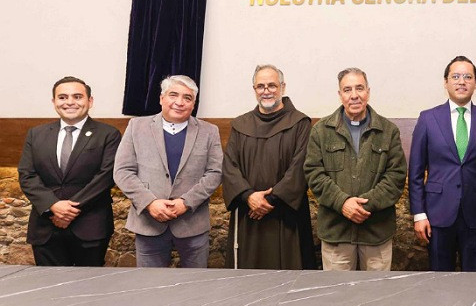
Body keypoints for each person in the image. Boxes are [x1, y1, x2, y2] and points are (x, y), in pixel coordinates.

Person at [408, 56, 476, 272]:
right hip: (437, 216)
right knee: (440, 282)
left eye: (467, 77)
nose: (461, 82)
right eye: (456, 76)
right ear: (446, 82)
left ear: (475, 83)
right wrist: (419, 214)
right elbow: (415, 172)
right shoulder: (428, 118)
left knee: (474, 282)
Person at [114, 75, 222, 268]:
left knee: (195, 287)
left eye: (187, 98)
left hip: (192, 224)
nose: (179, 102)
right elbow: (123, 171)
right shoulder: (136, 127)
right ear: (161, 98)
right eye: (173, 95)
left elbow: (215, 173)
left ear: (193, 103)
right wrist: (150, 203)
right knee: (151, 288)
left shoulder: (209, 131)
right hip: (149, 222)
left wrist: (186, 203)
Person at [304, 67, 406, 271]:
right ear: (340, 94)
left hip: (376, 233)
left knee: (377, 296)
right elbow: (314, 174)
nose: (354, 95)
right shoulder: (321, 131)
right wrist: (343, 203)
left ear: (368, 91)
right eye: (347, 89)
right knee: (337, 297)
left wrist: (365, 206)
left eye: (359, 88)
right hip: (336, 233)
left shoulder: (388, 131)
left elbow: (396, 176)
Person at [18, 76, 121, 266]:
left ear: (90, 101)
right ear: (54, 102)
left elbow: (106, 176)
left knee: (88, 289)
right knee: (50, 289)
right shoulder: (36, 134)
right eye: (63, 97)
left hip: (90, 226)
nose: (70, 102)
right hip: (46, 227)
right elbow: (27, 175)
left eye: (77, 96)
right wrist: (53, 206)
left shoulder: (108, 134)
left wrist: (71, 209)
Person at [222, 64, 315, 269]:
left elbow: (300, 168)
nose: (266, 91)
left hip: (286, 215)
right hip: (249, 214)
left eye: (272, 85)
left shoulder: (299, 123)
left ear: (282, 86)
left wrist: (269, 200)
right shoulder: (240, 124)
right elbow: (230, 167)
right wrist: (248, 197)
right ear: (254, 89)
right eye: (260, 86)